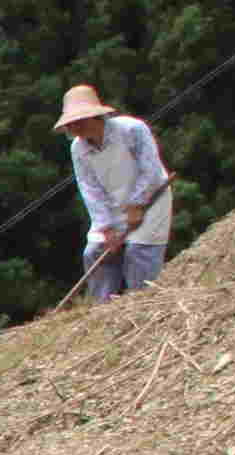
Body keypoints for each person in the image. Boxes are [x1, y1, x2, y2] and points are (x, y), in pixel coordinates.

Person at [56, 84, 173, 301]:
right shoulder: (78, 149)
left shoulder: (132, 130)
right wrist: (107, 228)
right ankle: (103, 311)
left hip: (152, 200)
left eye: (79, 121)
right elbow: (90, 189)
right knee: (95, 253)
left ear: (95, 117)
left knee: (138, 252)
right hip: (114, 209)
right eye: (71, 124)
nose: (75, 127)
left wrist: (137, 204)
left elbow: (151, 170)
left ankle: (143, 303)